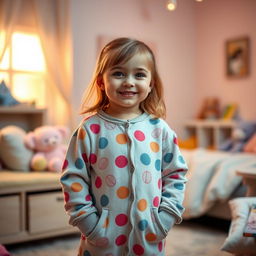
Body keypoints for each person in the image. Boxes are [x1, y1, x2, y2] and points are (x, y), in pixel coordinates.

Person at [60, 37, 188, 256]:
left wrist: (165, 217)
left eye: (139, 74)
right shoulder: (90, 129)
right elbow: (73, 177)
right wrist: (89, 222)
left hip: (149, 235)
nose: (129, 81)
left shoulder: (160, 129)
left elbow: (175, 174)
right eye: (118, 73)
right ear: (101, 81)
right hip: (102, 237)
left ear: (150, 84)